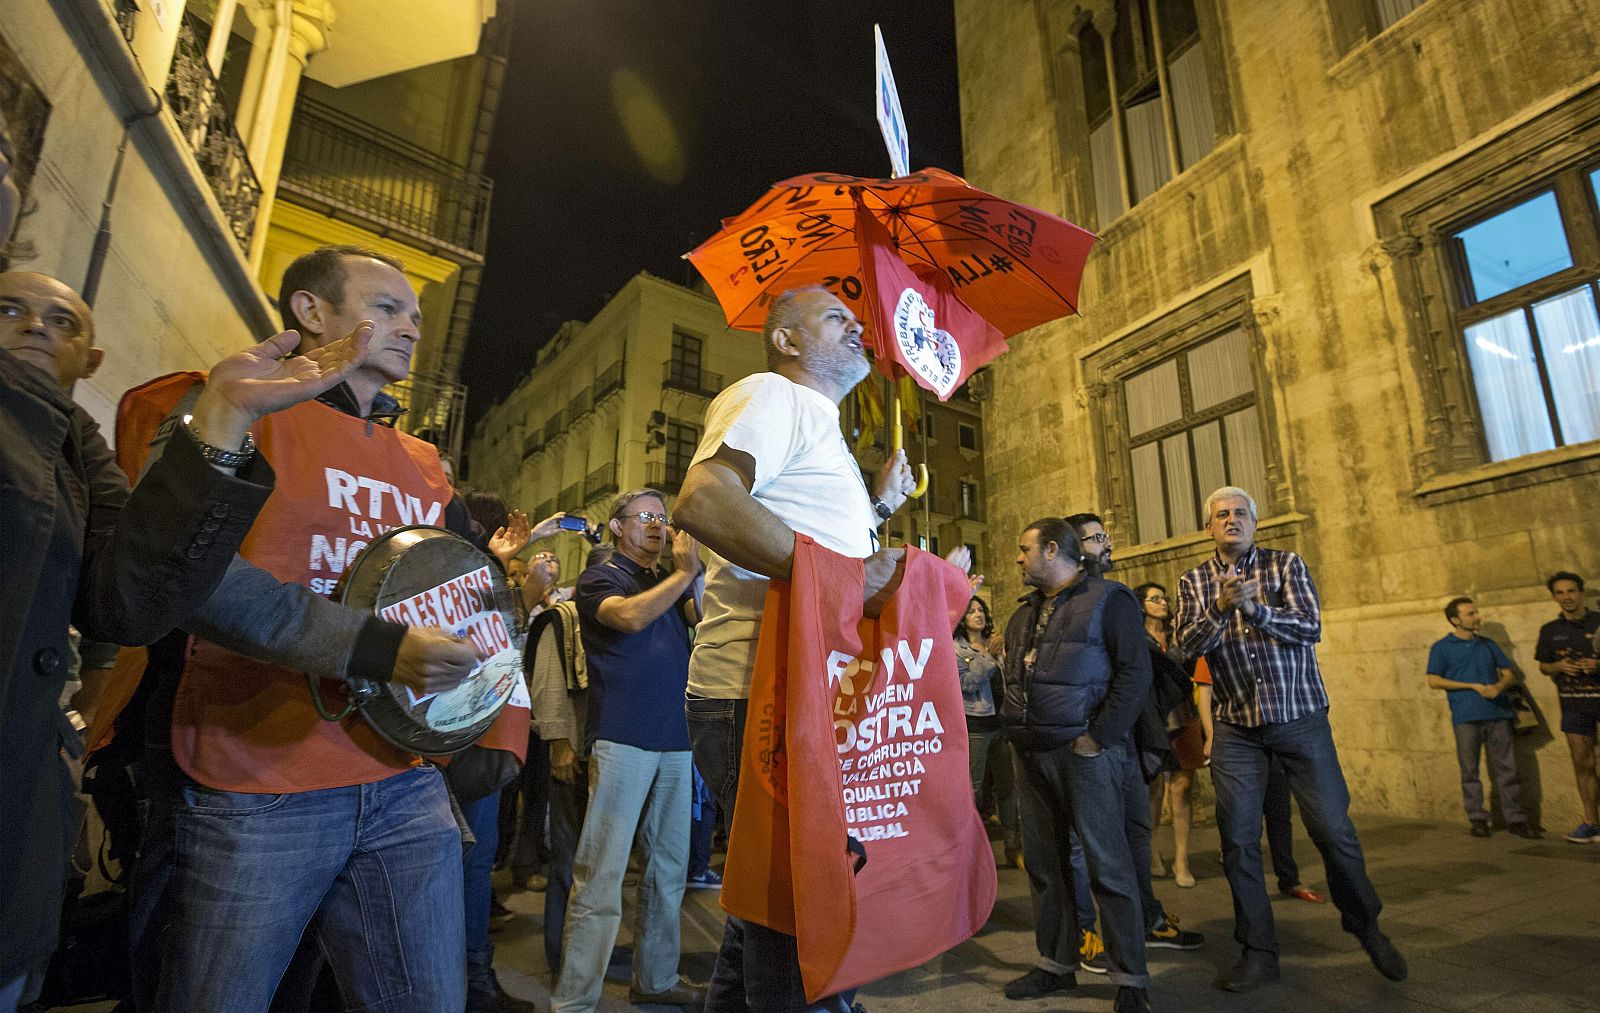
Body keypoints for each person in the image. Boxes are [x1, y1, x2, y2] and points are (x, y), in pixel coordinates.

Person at [123, 245, 532, 1013]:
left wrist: (497, 723)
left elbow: (475, 602)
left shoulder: (426, 464)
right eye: (387, 307)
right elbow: (185, 578)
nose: (412, 325)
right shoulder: (232, 414)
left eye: (415, 313)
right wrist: (378, 649)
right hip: (255, 780)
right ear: (310, 312)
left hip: (402, 786)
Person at [0, 254, 368, 1010]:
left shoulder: (79, 447)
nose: (36, 327)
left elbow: (131, 595)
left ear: (90, 358)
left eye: (63, 320)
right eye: (11, 310)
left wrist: (227, 417)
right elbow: (217, 596)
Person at [673, 285, 926, 1013]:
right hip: (760, 695)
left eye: (856, 319)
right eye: (835, 317)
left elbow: (814, 546)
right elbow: (705, 499)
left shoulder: (823, 430)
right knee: (803, 912)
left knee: (768, 911)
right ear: (785, 340)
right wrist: (847, 572)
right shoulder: (771, 395)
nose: (858, 328)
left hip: (800, 695)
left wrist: (876, 508)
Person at [1175, 486, 1405, 993]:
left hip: (1299, 717)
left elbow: (1309, 627)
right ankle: (1258, 951)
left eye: (1240, 514)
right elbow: (1185, 647)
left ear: (1255, 523)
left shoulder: (1285, 565)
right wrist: (1219, 608)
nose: (1231, 520)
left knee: (1332, 830)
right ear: (1209, 527)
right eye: (1221, 515)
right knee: (1237, 841)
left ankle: (1364, 922)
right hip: (1236, 727)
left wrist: (1254, 610)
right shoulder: (1193, 580)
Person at [552, 489, 706, 1012]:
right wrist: (682, 576)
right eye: (645, 517)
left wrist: (696, 572)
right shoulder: (602, 578)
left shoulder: (668, 582)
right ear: (617, 527)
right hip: (623, 740)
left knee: (668, 871)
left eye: (663, 518)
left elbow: (705, 620)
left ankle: (657, 978)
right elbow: (629, 619)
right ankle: (574, 1000)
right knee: (602, 874)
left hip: (675, 742)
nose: (658, 525)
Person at [999, 517, 1153, 1013]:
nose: (1018, 559)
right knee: (1046, 866)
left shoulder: (1111, 600)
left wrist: (1098, 738)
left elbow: (1134, 674)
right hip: (1031, 752)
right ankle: (1055, 965)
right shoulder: (1022, 614)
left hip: (1084, 755)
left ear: (1050, 549)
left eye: (1024, 550)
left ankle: (1131, 978)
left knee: (1108, 865)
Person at [528, 544, 609, 978]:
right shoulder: (560, 621)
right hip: (573, 752)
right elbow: (545, 684)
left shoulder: (608, 621)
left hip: (605, 754)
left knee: (596, 861)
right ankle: (561, 958)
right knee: (567, 862)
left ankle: (586, 954)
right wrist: (559, 743)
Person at [1426, 596, 1539, 838]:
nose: (1477, 617)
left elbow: (1509, 674)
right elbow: (1433, 680)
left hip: (1497, 712)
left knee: (1507, 768)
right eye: (1470, 614)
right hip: (1465, 716)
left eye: (1476, 612)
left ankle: (1516, 818)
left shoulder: (1488, 644)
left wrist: (1499, 686)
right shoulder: (1442, 647)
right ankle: (1477, 817)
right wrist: (1472, 686)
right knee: (1470, 770)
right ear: (1455, 620)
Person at [1133, 582, 1201, 887]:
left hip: (1183, 715)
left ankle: (1183, 860)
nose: (1163, 603)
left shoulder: (1179, 636)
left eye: (1164, 598)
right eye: (1155, 598)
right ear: (1142, 605)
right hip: (1151, 717)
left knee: (1182, 787)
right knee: (1153, 788)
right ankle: (1152, 852)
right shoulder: (1137, 637)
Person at [1534, 571, 1600, 843]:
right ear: (1554, 597)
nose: (1566, 597)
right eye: (1560, 593)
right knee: (1582, 763)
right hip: (1574, 705)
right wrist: (1558, 667)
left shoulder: (1599, 622)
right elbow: (1544, 666)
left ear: (1581, 593)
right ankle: (1591, 823)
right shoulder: (1550, 631)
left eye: (1571, 591)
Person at [957, 595, 1022, 867]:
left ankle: (1013, 848)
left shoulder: (995, 644)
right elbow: (965, 684)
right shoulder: (956, 649)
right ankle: (971, 852)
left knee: (1008, 788)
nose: (978, 614)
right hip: (976, 726)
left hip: (1002, 724)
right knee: (974, 789)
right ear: (962, 618)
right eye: (971, 610)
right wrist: (989, 657)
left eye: (981, 609)